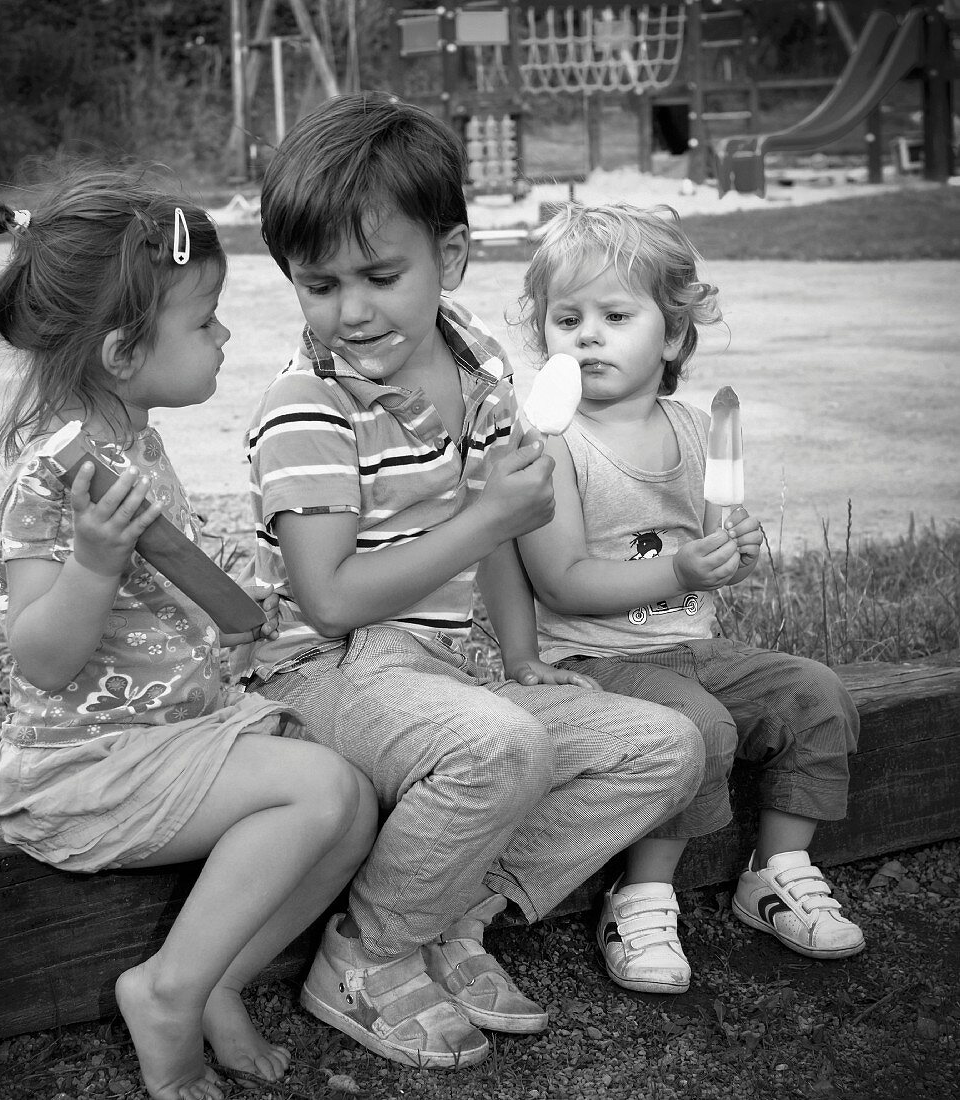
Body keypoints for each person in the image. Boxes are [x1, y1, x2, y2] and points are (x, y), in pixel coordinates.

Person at [237, 92, 706, 1070]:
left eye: (379, 275)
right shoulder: (308, 406)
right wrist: (484, 516)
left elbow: (495, 527)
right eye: (318, 284)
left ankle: (449, 915)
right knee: (498, 744)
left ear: (448, 260)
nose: (350, 310)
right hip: (325, 668)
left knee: (662, 745)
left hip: (435, 664)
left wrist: (523, 656)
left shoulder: (477, 365)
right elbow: (327, 599)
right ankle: (363, 953)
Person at [0, 168, 378, 1100]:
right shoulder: (58, 479)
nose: (226, 335)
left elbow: (155, 601)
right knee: (316, 789)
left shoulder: (133, 442)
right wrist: (93, 565)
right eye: (205, 321)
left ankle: (217, 982)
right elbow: (42, 654)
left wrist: (222, 611)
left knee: (352, 804)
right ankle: (164, 991)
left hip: (172, 731)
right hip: (83, 764)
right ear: (121, 351)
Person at [514, 201, 865, 999]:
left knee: (816, 695)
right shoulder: (554, 446)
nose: (587, 335)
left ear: (671, 336)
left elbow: (714, 546)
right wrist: (681, 573)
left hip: (696, 646)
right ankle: (639, 897)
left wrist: (733, 552)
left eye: (614, 314)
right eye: (566, 318)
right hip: (595, 660)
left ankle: (777, 870)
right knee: (693, 728)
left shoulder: (696, 428)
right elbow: (561, 579)